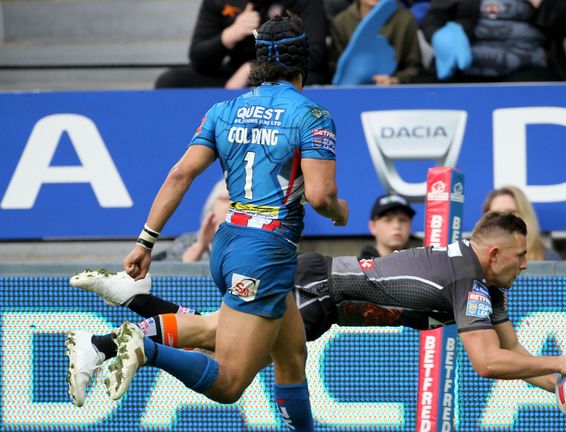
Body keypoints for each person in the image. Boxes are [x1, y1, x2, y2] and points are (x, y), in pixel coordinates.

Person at [67, 212, 566, 410]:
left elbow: (514, 356)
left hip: (319, 290)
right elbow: (488, 363)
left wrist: (557, 384)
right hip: (317, 290)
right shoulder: (469, 280)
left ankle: (134, 301)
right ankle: (111, 338)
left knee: (215, 335)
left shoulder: (485, 284)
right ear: (493, 254)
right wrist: (560, 366)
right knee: (223, 354)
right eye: (519, 256)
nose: (526, 265)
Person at [102, 14, 348, 432]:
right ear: (303, 63)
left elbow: (180, 175)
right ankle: (143, 348)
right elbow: (322, 197)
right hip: (265, 251)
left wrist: (145, 242)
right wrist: (340, 212)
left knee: (291, 356)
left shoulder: (224, 109)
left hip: (229, 239)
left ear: (259, 62)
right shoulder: (312, 116)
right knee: (231, 381)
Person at [155, 0, 329, 89]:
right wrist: (228, 36)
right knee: (170, 81)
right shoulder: (220, 2)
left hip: (282, 75)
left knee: (309, 80)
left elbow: (314, 53)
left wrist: (255, 68)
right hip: (233, 77)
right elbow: (199, 59)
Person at [421, 0, 566, 83]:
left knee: (533, 92)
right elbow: (434, 19)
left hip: (527, 69)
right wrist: (438, 35)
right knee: (422, 90)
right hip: (463, 68)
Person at [330, 0, 423, 85]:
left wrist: (395, 80)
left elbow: (414, 66)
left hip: (393, 91)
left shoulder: (406, 19)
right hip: (351, 90)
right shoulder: (341, 22)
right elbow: (335, 67)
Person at [154, 179, 229, 262]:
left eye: (240, 203)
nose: (233, 207)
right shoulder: (187, 242)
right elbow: (169, 271)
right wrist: (201, 245)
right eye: (227, 199)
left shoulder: (245, 245)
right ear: (212, 207)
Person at [483, 186, 560, 260]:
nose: (503, 219)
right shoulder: (475, 259)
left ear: (525, 215)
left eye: (510, 212)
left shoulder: (548, 258)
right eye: (496, 213)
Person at [359, 193, 416, 258]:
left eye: (402, 220)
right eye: (388, 220)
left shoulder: (421, 265)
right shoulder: (358, 267)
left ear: (410, 225)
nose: (397, 226)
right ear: (373, 226)